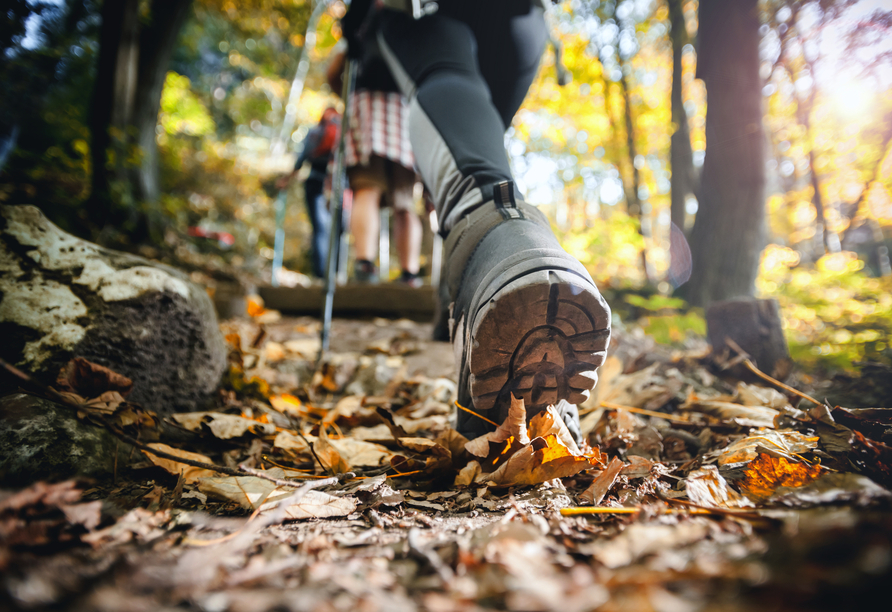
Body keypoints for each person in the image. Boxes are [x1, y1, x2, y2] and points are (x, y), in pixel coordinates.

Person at [341, 0, 611, 442]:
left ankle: (495, 240)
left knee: (449, 90)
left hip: (423, 14)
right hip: (521, 23)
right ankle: (467, 284)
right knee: (471, 139)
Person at [327, 35, 424, 286]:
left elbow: (333, 71)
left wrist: (349, 96)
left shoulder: (363, 25)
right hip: (406, 113)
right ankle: (409, 273)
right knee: (405, 202)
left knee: (367, 189)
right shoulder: (412, 28)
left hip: (366, 107)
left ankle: (364, 264)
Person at [276, 107, 339, 278]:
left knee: (319, 229)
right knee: (337, 229)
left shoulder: (315, 132)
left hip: (315, 182)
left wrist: (286, 180)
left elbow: (301, 158)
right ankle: (337, 273)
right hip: (339, 185)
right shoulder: (344, 130)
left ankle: (321, 275)